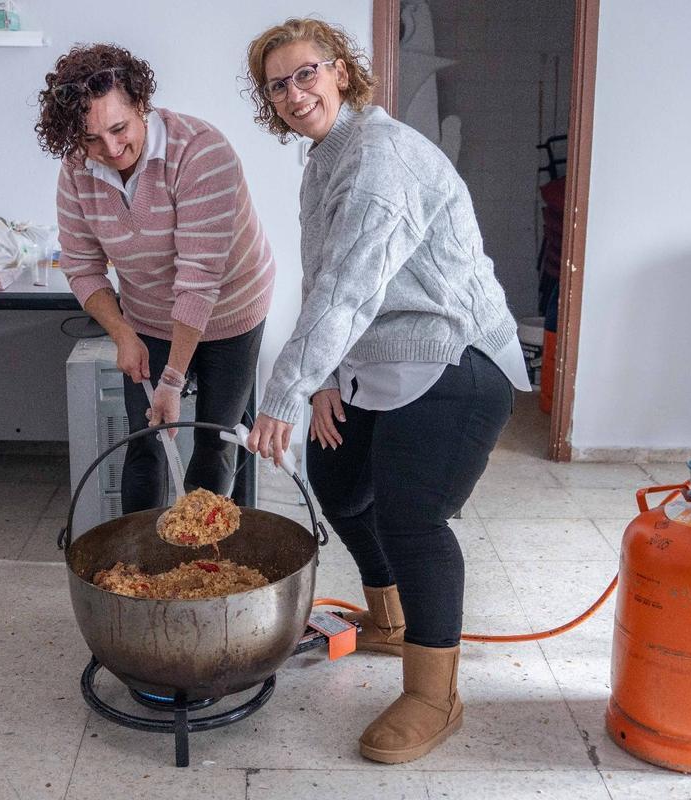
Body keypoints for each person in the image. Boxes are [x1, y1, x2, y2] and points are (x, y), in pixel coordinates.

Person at [244, 18, 531, 764]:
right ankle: (390, 617)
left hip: (456, 361)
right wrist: (328, 379)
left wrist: (284, 390)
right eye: (278, 85)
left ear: (340, 71)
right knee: (338, 478)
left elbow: (348, 284)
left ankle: (436, 695)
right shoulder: (326, 156)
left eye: (305, 73)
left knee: (413, 518)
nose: (294, 93)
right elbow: (330, 280)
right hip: (382, 358)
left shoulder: (380, 155)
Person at [36, 44, 276, 512]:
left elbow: (199, 278)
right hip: (147, 313)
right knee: (144, 438)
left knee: (216, 438)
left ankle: (202, 560)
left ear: (142, 104)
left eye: (119, 128)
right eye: (90, 139)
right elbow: (82, 266)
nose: (110, 150)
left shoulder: (202, 152)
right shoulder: (77, 171)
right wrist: (124, 334)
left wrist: (172, 380)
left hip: (231, 308)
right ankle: (143, 563)